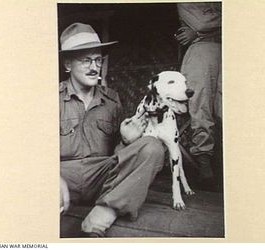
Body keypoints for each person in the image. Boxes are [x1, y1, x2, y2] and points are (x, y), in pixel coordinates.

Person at [59, 23, 165, 237]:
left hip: (101, 177)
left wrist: (126, 141)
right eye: (86, 60)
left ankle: (105, 211)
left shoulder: (111, 98)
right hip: (62, 176)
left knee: (153, 147)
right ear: (68, 64)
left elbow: (118, 159)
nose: (94, 67)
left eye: (98, 60)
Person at [175, 3, 222, 190]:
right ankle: (205, 165)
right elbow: (200, 22)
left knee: (224, 108)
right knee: (201, 105)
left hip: (229, 46)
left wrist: (201, 30)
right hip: (202, 51)